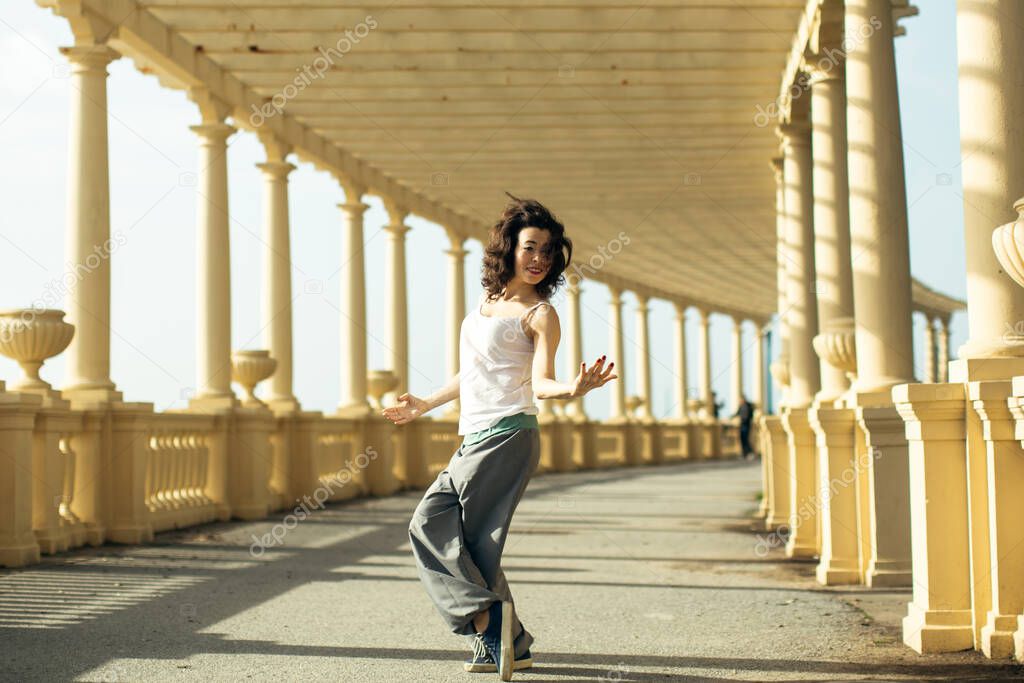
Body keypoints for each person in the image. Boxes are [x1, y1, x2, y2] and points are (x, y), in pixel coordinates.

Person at [382, 193, 617, 681]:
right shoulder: (488, 304)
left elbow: (542, 379)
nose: (539, 259)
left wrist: (572, 389)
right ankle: (511, 643)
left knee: (428, 524)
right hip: (476, 433)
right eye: (530, 247)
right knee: (471, 542)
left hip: (509, 432)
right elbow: (471, 373)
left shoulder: (540, 314)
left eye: (548, 251)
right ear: (508, 248)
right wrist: (425, 404)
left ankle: (489, 628)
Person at [733, 394, 757, 460]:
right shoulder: (741, 406)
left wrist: (745, 420)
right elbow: (736, 413)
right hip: (742, 425)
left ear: (743, 399)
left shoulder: (748, 406)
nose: (740, 401)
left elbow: (749, 416)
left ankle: (750, 453)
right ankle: (744, 454)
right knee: (742, 440)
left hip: (746, 425)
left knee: (746, 439)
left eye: (740, 399)